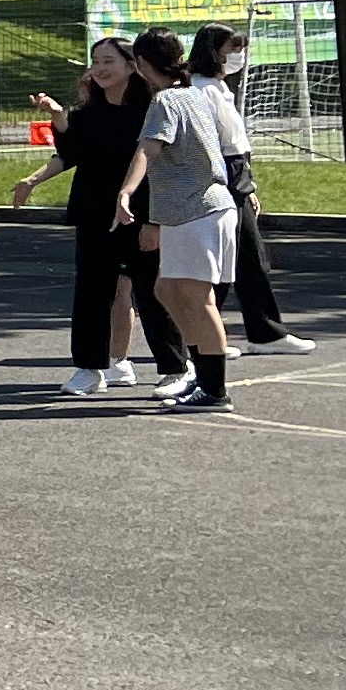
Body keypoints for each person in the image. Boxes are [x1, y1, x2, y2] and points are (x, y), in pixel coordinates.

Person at [6, 38, 184, 397]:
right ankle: (89, 370)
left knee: (153, 292)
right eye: (95, 61)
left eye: (108, 61)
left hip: (142, 213)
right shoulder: (88, 112)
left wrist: (156, 221)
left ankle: (175, 368)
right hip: (94, 214)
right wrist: (33, 178)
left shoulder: (153, 110)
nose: (99, 69)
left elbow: (164, 166)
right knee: (91, 292)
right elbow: (69, 154)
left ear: (132, 66)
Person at [115, 31, 243, 412]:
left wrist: (125, 192)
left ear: (141, 64)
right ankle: (200, 374)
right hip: (198, 211)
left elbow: (147, 150)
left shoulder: (165, 100)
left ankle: (215, 390)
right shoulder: (193, 94)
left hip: (197, 211)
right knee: (167, 289)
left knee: (198, 300)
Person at [191, 23, 313, 355]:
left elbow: (237, 144)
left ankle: (263, 334)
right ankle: (200, 337)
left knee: (248, 260)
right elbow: (212, 144)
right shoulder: (201, 89)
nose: (238, 56)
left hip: (237, 179)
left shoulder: (219, 87)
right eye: (232, 49)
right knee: (225, 263)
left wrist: (249, 186)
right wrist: (232, 184)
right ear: (213, 51)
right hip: (220, 181)